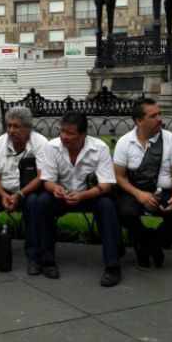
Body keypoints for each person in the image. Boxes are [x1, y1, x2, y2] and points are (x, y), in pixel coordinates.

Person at [37, 111, 122, 287]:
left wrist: (83, 195)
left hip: (90, 195)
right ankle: (47, 261)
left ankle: (113, 266)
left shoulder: (99, 148)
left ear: (83, 134)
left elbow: (106, 185)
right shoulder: (52, 147)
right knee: (43, 202)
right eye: (62, 131)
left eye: (70, 133)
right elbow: (48, 181)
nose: (64, 137)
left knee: (107, 205)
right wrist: (56, 189)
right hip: (63, 196)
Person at [114, 98, 172, 270]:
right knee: (124, 212)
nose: (160, 119)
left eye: (160, 114)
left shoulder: (171, 140)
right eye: (153, 116)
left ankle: (148, 244)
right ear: (139, 121)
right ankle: (147, 243)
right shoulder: (125, 142)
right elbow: (119, 177)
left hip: (167, 193)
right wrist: (138, 194)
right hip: (135, 192)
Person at [0, 106, 48, 274]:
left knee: (34, 202)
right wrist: (2, 195)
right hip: (3, 190)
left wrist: (20, 195)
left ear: (29, 128)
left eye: (16, 126)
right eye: (9, 126)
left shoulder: (41, 143)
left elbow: (41, 176)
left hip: (28, 191)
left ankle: (34, 258)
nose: (11, 130)